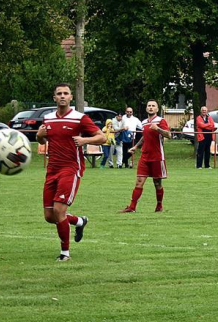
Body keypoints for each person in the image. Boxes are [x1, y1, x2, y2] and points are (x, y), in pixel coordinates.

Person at [36, 83, 105, 261]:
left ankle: (65, 253)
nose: (62, 96)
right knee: (49, 216)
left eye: (66, 93)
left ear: (71, 97)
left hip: (71, 168)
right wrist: (39, 135)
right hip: (52, 170)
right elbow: (42, 140)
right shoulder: (48, 118)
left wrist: (84, 140)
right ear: (54, 98)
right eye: (59, 93)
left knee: (59, 210)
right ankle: (79, 221)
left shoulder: (79, 118)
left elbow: (102, 137)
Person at [120, 99, 172, 213]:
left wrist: (157, 128)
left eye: (153, 106)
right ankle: (132, 207)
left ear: (157, 109)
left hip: (157, 157)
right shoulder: (144, 122)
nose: (151, 107)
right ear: (146, 108)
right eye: (149, 105)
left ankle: (159, 206)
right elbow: (144, 137)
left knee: (157, 183)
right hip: (145, 156)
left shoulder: (160, 121)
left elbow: (169, 135)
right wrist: (136, 146)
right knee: (139, 181)